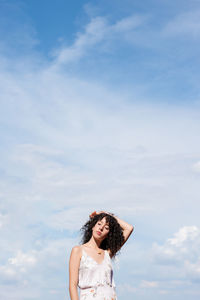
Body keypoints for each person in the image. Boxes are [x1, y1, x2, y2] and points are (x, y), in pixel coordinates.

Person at [69, 210, 134, 300]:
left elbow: (129, 228)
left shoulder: (107, 254)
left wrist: (106, 214)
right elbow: (73, 285)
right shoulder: (78, 251)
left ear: (108, 234)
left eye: (106, 227)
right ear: (93, 226)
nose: (101, 228)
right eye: (99, 224)